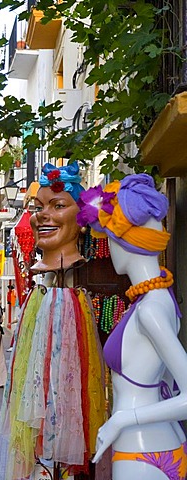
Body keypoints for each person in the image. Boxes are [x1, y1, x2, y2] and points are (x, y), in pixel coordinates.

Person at [0, 162, 105, 480]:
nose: (43, 215)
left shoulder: (73, 300)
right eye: (38, 207)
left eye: (58, 206)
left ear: (82, 220)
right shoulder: (39, 297)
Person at [77, 174, 187, 480]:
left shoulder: (150, 310)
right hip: (163, 440)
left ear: (123, 243)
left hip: (139, 446)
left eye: (109, 240)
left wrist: (122, 420)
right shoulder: (161, 300)